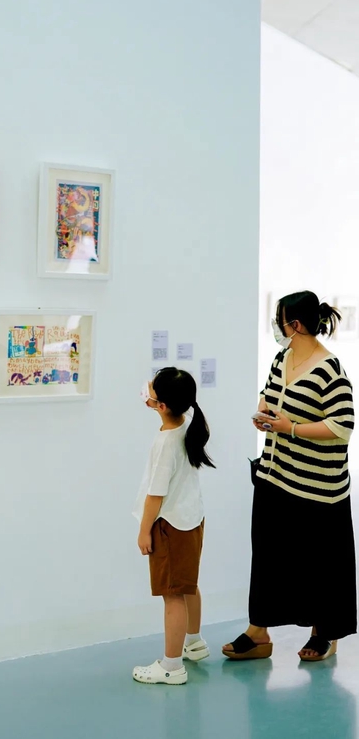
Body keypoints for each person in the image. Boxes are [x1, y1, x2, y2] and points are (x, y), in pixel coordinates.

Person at [223, 291, 356, 662]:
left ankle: (324, 632)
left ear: (295, 325)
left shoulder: (329, 370)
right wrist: (264, 412)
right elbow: (269, 394)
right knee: (268, 556)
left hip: (318, 489)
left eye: (279, 320)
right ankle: (258, 631)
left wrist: (290, 428)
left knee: (320, 563)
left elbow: (342, 426)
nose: (276, 327)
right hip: (275, 475)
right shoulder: (282, 358)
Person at [132, 367, 214, 686]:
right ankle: (194, 642)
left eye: (152, 390)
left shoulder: (166, 442)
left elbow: (155, 495)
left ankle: (171, 666)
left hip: (169, 526)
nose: (147, 391)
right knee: (188, 584)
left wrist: (144, 530)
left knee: (173, 594)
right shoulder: (188, 423)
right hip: (192, 519)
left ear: (162, 405)